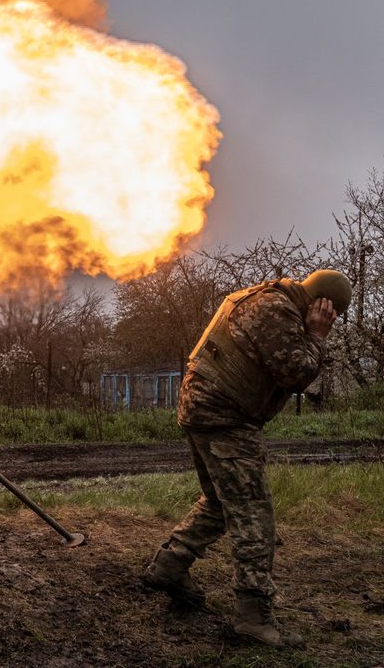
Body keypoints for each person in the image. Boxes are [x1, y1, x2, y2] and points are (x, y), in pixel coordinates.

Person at [141, 268, 352, 647]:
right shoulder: (276, 310)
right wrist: (317, 336)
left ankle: (169, 567)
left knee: (223, 503)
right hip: (224, 416)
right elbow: (297, 374)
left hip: (207, 408)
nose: (330, 321)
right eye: (332, 315)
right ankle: (254, 616)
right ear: (323, 305)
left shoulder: (267, 297)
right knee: (254, 513)